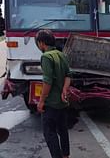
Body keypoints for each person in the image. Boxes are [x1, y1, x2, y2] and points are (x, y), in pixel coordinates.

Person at [36, 30, 71, 158]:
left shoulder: (46, 57)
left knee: (50, 133)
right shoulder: (61, 54)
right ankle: (66, 155)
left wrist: (41, 101)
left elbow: (47, 82)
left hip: (51, 103)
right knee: (63, 130)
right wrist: (64, 90)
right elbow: (68, 75)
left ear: (41, 43)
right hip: (62, 102)